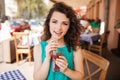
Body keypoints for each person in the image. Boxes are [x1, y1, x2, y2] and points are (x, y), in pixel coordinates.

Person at [33, 2, 84, 80]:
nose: (58, 28)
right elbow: (37, 78)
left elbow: (80, 76)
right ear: (48, 23)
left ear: (70, 26)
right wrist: (47, 58)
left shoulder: (75, 49)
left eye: (64, 23)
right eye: (54, 22)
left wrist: (66, 70)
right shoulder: (38, 48)